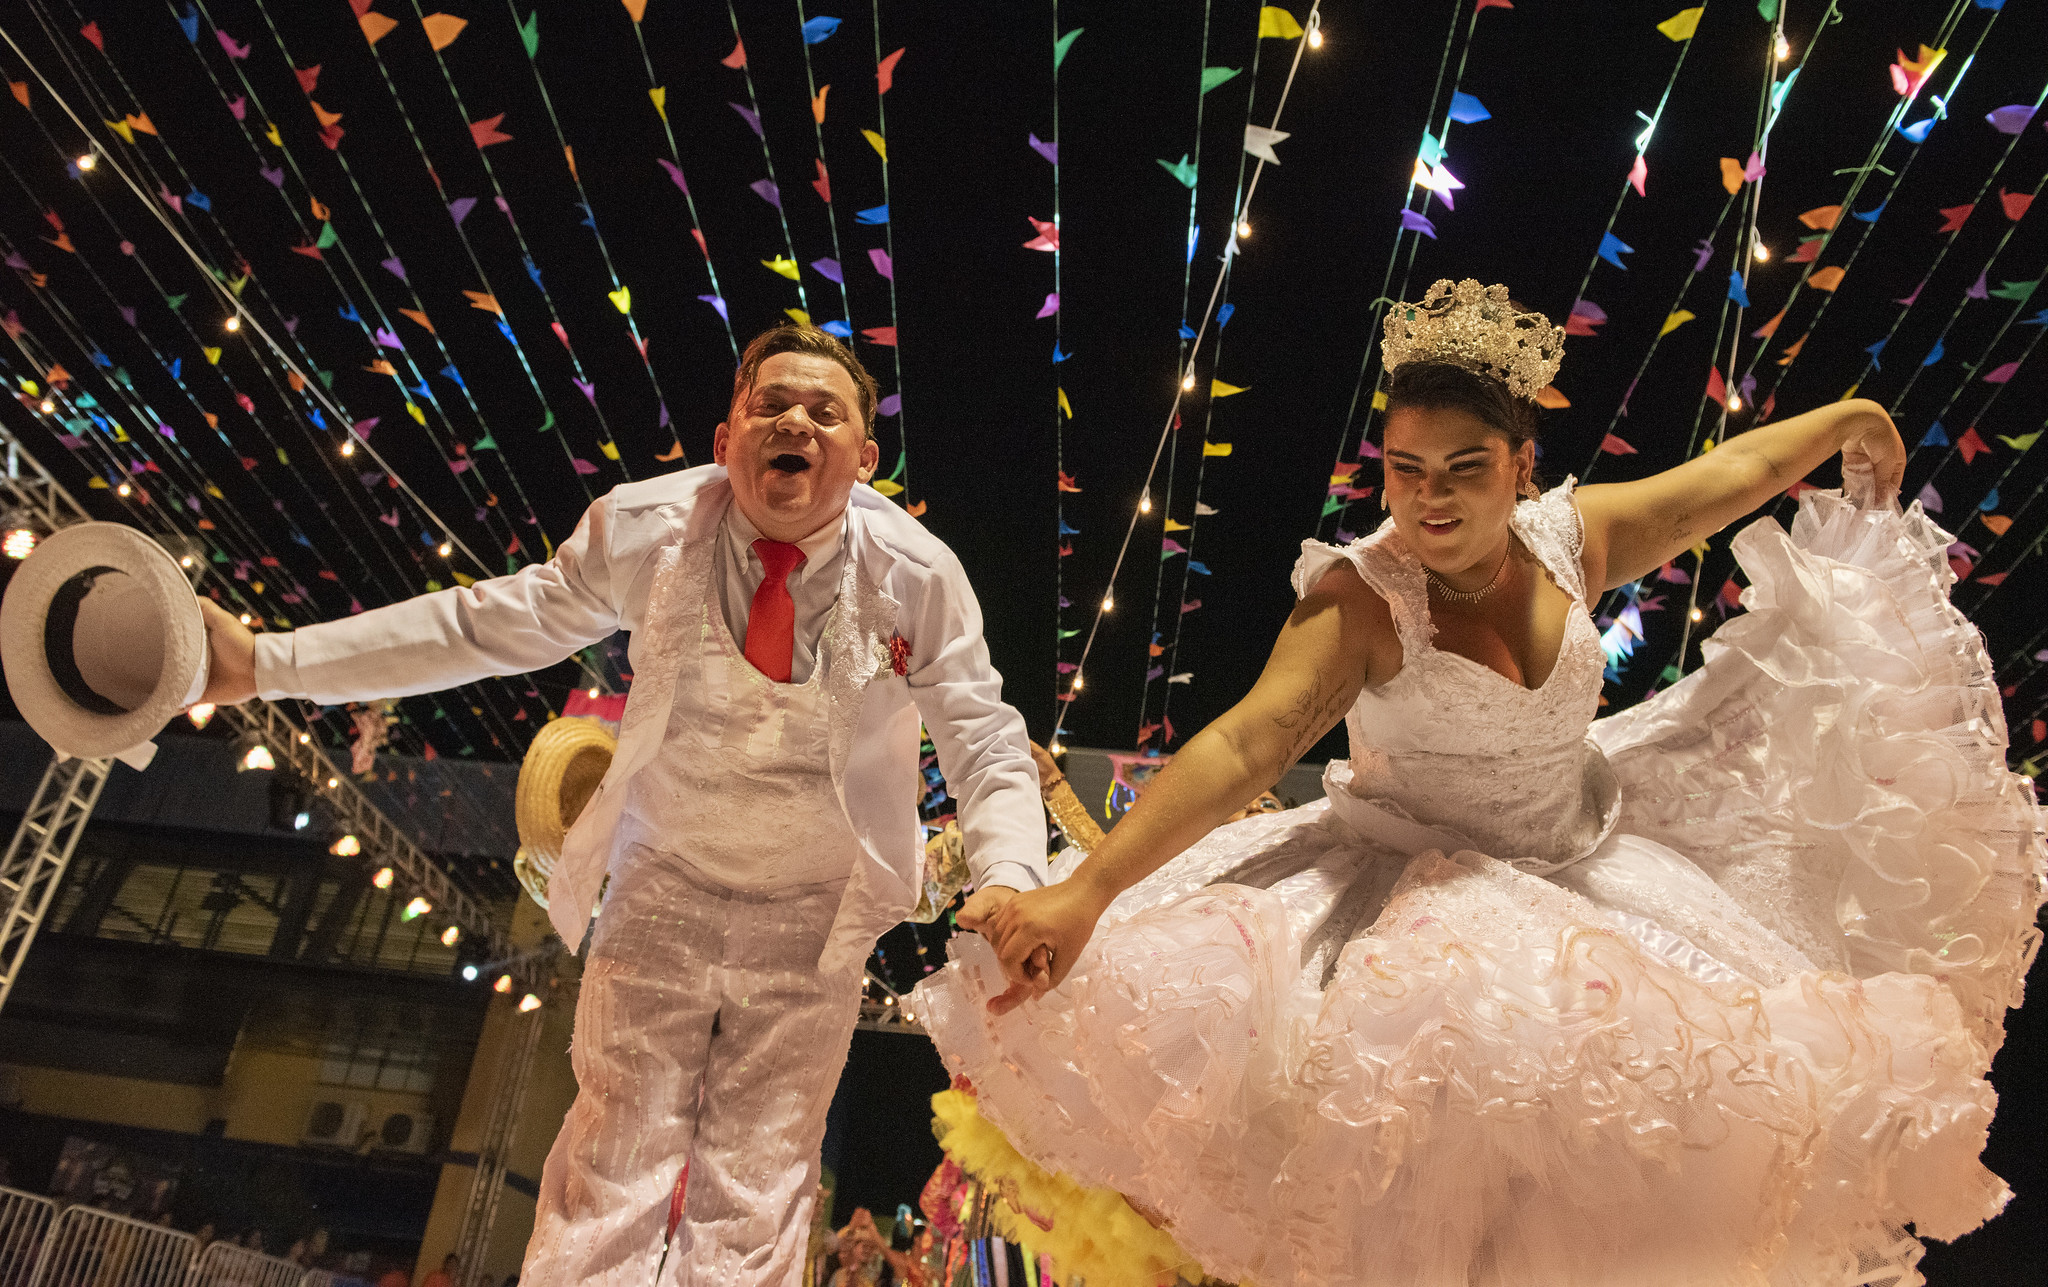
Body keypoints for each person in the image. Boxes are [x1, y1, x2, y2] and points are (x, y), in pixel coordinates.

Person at [914, 279, 2046, 1286]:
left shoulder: (1569, 538)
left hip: (1591, 867)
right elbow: (1242, 746)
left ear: (1519, 465)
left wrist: (1845, 417)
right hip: (1416, 913)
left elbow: (1726, 478)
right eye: (1405, 472)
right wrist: (1088, 891)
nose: (1430, 499)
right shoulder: (1361, 600)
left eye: (1463, 469)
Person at [197, 325, 1049, 1286]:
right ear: (726, 438)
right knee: (612, 1164)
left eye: (825, 411)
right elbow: (484, 623)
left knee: (758, 1185)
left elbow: (983, 736)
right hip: (665, 883)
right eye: (771, 404)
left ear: (864, 455)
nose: (795, 422)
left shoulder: (919, 574)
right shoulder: (645, 526)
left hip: (818, 906)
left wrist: (1014, 878)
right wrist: (268, 662)